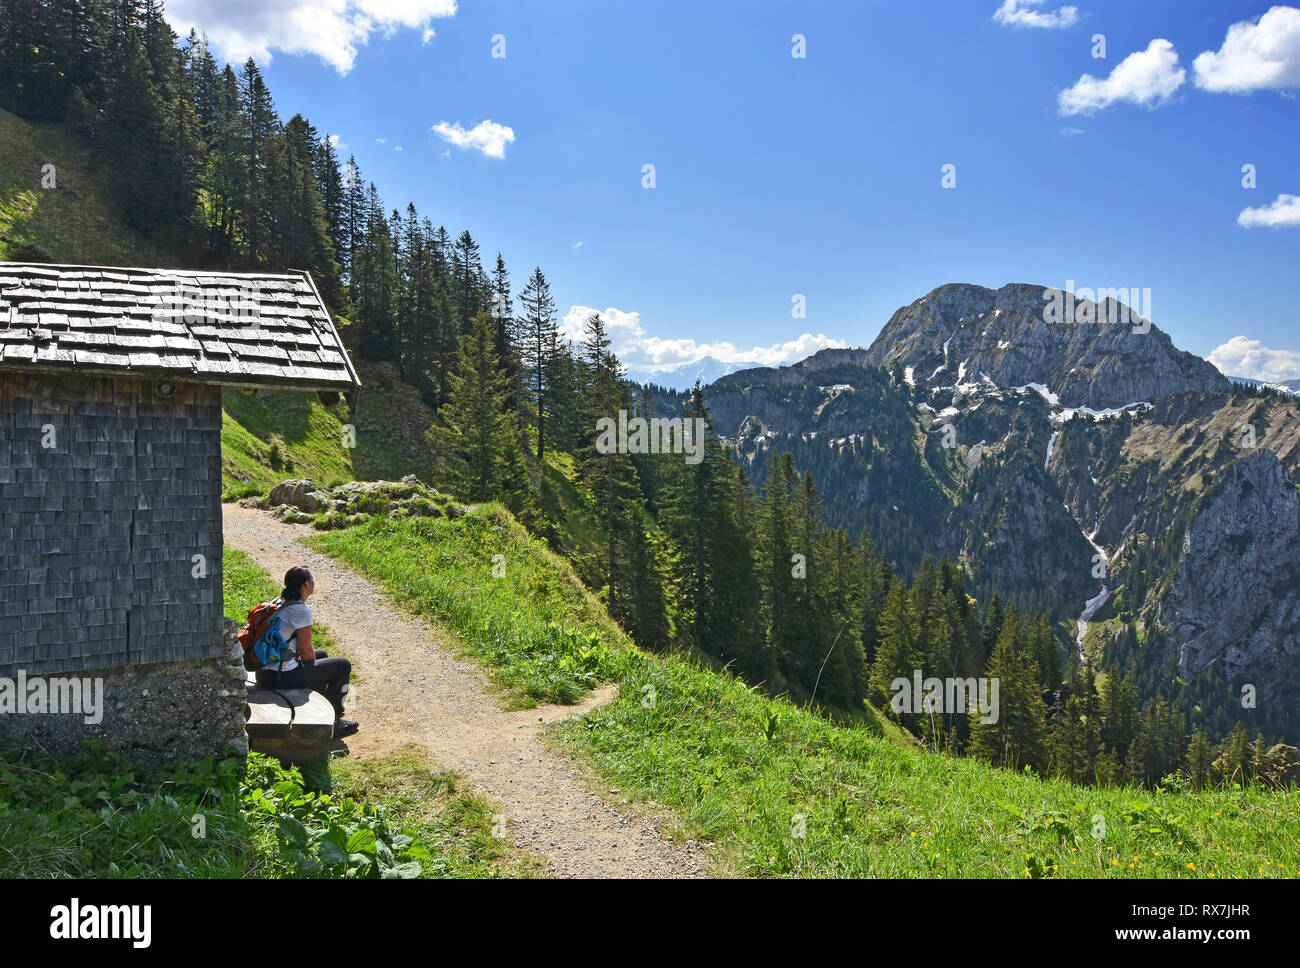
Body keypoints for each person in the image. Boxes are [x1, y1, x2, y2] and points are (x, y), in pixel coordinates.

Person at [255, 565, 359, 739]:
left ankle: (321, 708)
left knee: (323, 655)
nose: (314, 582)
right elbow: (306, 650)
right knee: (342, 665)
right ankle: (335, 721)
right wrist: (308, 666)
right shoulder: (300, 611)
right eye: (312, 579)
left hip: (264, 672)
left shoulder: (279, 602)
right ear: (305, 585)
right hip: (281, 677)